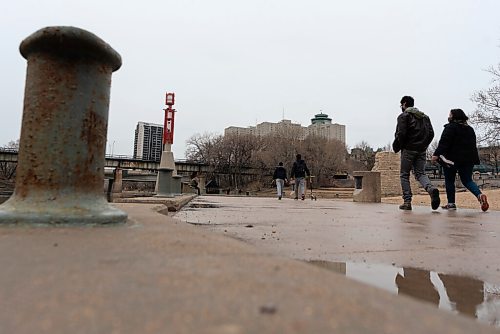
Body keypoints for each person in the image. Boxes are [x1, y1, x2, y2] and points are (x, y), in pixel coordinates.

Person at [431, 109, 489, 211]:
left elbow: (444, 142)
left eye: (450, 115)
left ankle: (451, 203)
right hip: (468, 159)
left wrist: (436, 154)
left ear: (454, 117)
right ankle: (479, 195)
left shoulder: (450, 128)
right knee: (467, 180)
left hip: (451, 159)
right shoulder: (470, 129)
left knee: (449, 180)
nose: (448, 116)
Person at [393, 96, 440, 210]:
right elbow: (431, 133)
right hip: (421, 150)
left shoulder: (404, 116)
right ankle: (430, 189)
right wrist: (424, 145)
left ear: (404, 104)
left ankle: (407, 202)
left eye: (401, 105)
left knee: (404, 175)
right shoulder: (425, 117)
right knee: (420, 173)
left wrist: (401, 146)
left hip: (408, 149)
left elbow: (401, 134)